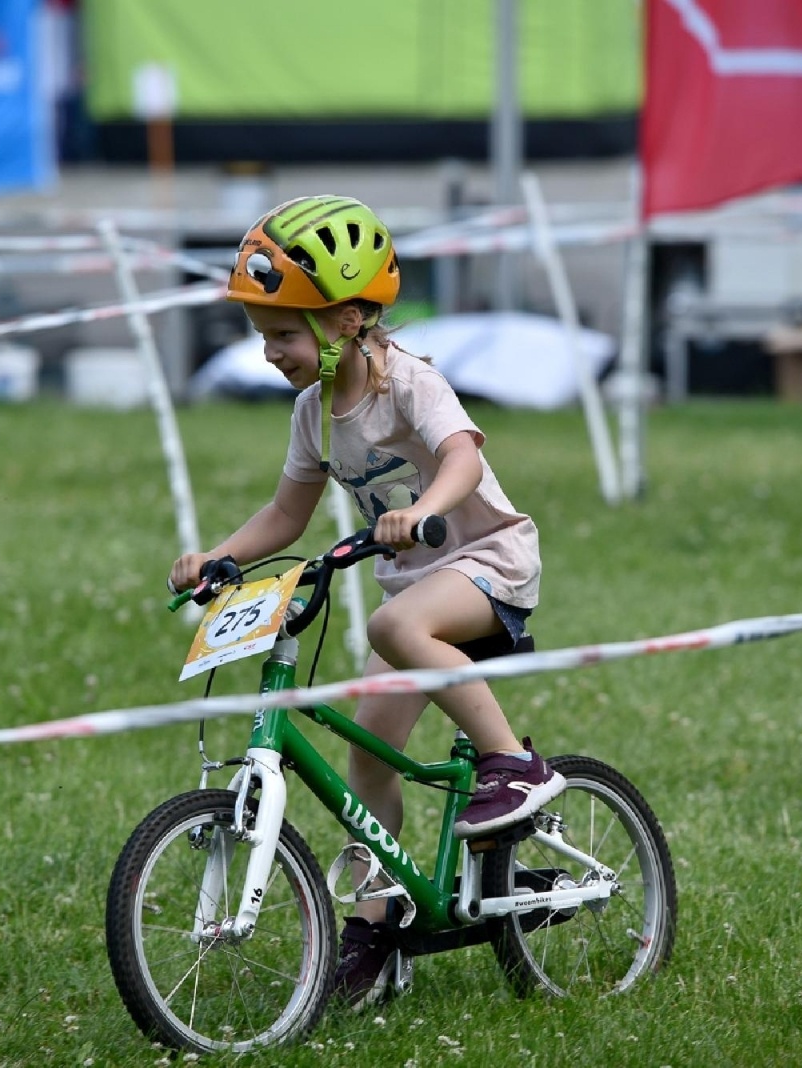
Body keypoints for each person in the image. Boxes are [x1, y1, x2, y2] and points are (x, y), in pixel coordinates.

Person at [167, 195, 565, 1009]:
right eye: (263, 334)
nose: (271, 350)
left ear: (347, 319)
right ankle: (379, 923)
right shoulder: (313, 413)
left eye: (283, 331)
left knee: (393, 623)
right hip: (418, 583)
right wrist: (218, 557)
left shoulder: (409, 384)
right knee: (368, 750)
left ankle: (515, 768)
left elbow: (459, 456)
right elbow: (286, 516)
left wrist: (423, 511)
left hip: (488, 559)